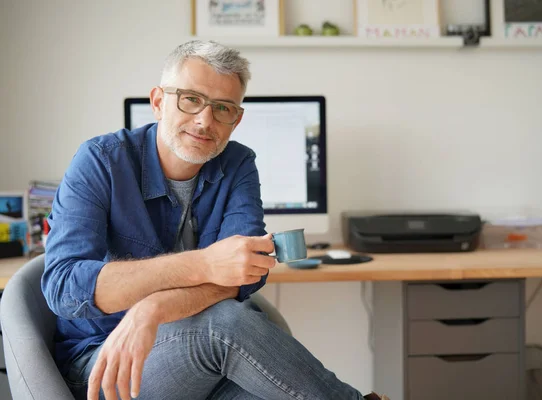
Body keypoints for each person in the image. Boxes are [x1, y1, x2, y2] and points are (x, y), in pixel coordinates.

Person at [42, 40, 390, 400]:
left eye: (222, 108)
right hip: (109, 362)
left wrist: (154, 306)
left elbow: (243, 274)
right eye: (191, 99)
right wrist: (205, 264)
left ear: (236, 120)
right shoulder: (100, 161)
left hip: (204, 357)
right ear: (159, 101)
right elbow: (65, 288)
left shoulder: (238, 163)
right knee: (226, 323)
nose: (205, 120)